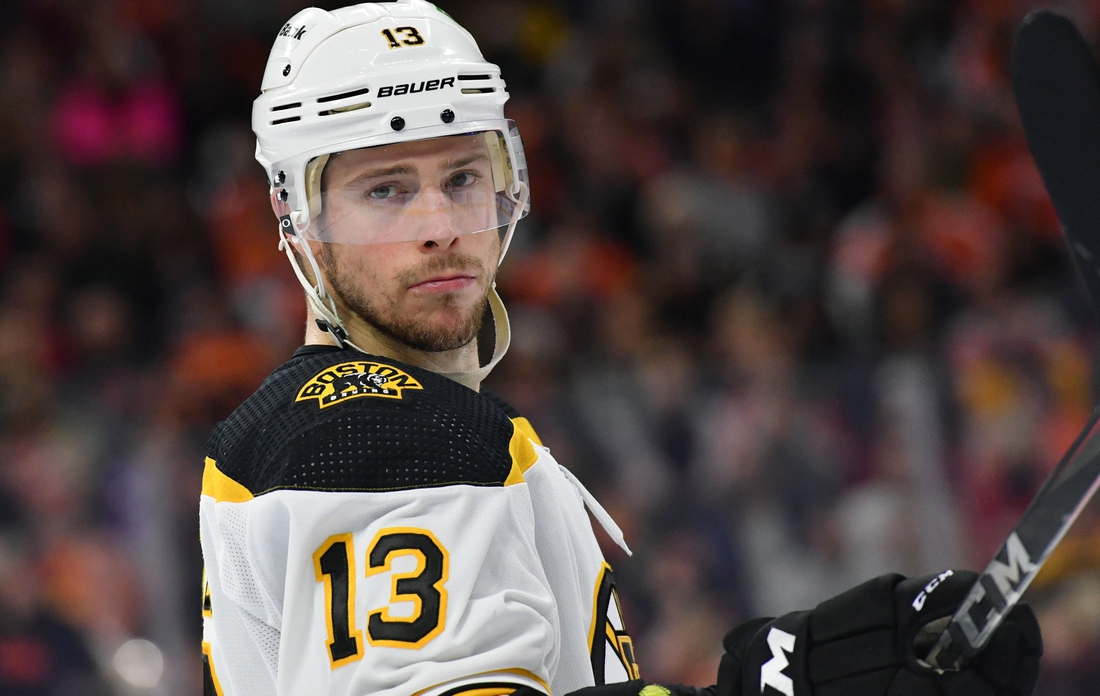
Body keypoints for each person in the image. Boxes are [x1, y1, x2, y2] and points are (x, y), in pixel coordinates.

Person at [198, 2, 1042, 695]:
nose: (441, 227)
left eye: (461, 178)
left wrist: (790, 675)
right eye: (385, 190)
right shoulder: (377, 437)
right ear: (297, 221)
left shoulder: (340, 428)